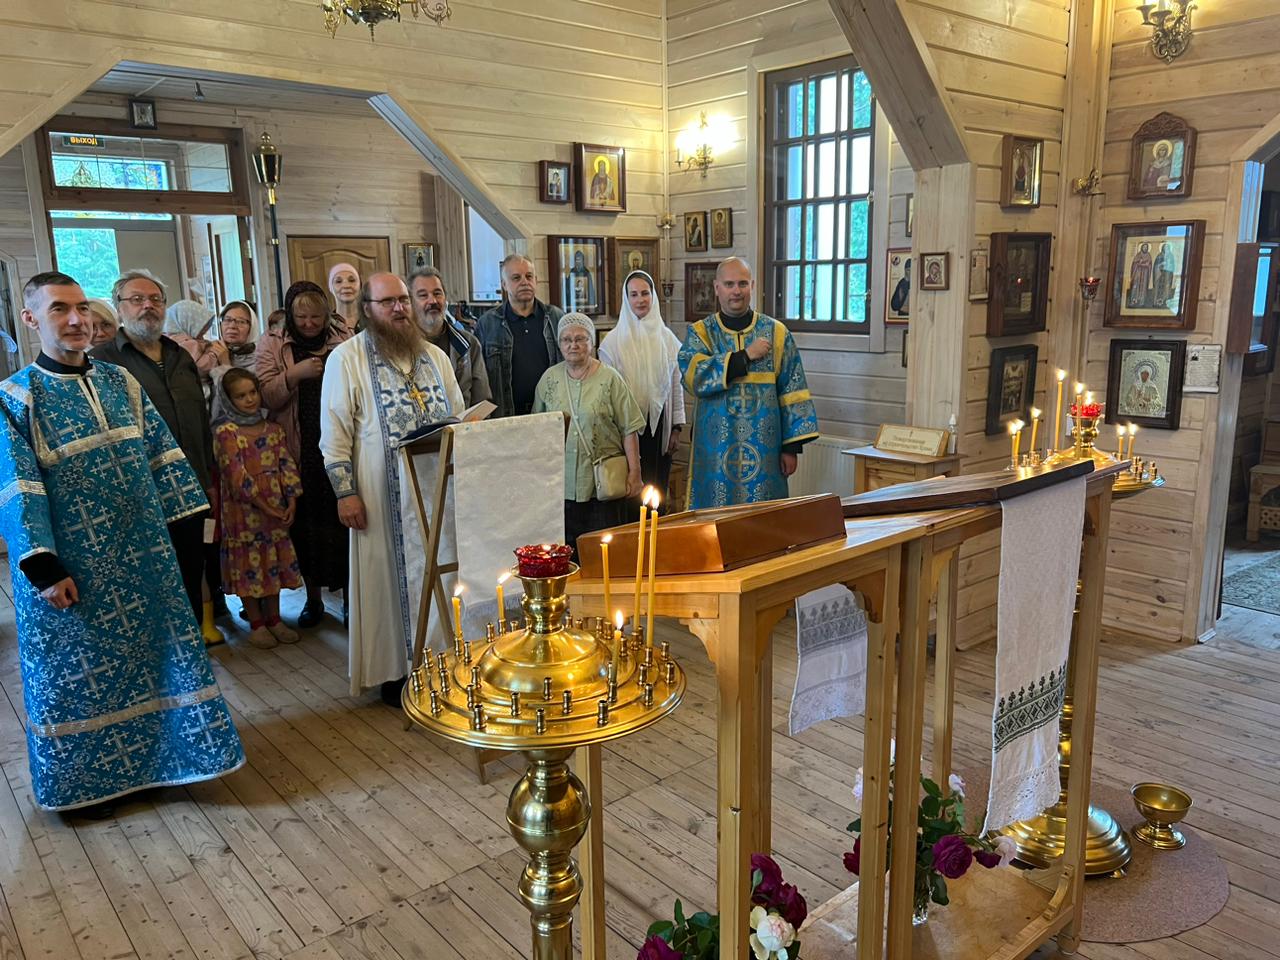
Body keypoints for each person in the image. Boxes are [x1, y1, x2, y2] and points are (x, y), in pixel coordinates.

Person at [0, 271, 243, 814]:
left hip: (143, 556)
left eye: (82, 308)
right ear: (31, 318)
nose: (76, 320)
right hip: (71, 565)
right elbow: (17, 487)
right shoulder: (15, 397)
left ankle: (163, 764)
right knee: (81, 676)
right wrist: (43, 566)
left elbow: (163, 458)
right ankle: (86, 789)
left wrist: (186, 537)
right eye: (59, 309)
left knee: (154, 661)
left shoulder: (120, 382)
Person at [320, 273, 464, 703]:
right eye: (388, 302)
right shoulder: (346, 359)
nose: (399, 309)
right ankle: (396, 673)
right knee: (387, 579)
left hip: (438, 491)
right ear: (367, 309)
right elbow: (334, 433)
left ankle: (441, 661)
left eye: (403, 300)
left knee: (439, 573)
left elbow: (459, 414)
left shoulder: (434, 357)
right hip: (379, 494)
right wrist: (345, 493)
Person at [91, 270, 216, 636]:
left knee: (191, 572)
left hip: (190, 490)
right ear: (119, 308)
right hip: (137, 494)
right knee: (148, 580)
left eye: (155, 299)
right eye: (137, 299)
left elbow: (200, 422)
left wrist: (208, 480)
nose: (147, 306)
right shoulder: (102, 361)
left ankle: (191, 651)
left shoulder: (181, 356)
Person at [678, 257, 819, 509]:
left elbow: (792, 390)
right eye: (729, 284)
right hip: (715, 451)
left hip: (765, 451)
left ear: (752, 286)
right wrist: (744, 356)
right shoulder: (701, 333)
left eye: (742, 284)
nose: (736, 291)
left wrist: (791, 448)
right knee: (713, 516)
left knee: (765, 517)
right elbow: (693, 377)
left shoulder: (776, 333)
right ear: (716, 288)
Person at [256, 281, 352, 628]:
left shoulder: (343, 339)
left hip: (338, 443)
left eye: (316, 317)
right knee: (307, 529)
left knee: (343, 527)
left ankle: (350, 601)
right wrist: (293, 375)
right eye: (301, 317)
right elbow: (264, 396)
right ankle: (313, 600)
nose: (309, 324)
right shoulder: (272, 342)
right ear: (290, 316)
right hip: (297, 447)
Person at [533, 313, 643, 557]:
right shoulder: (549, 379)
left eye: (580, 339)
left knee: (604, 554)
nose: (573, 345)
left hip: (602, 486)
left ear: (592, 342)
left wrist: (635, 473)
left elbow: (629, 428)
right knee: (565, 556)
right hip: (561, 486)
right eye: (566, 339)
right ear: (559, 344)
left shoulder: (610, 379)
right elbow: (538, 430)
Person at [213, 368, 303, 649]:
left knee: (272, 563)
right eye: (241, 396)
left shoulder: (273, 429)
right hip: (243, 514)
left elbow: (287, 465)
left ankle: (274, 619)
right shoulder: (226, 433)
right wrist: (266, 507)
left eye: (252, 392)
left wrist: (291, 501)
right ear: (228, 400)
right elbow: (235, 476)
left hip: (276, 509)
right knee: (247, 566)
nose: (250, 399)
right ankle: (256, 623)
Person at [599, 270, 684, 506]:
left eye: (645, 293)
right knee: (631, 494)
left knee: (658, 489)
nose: (640, 300)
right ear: (626, 298)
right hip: (627, 431)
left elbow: (675, 384)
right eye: (634, 294)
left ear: (653, 296)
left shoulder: (667, 338)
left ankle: (656, 528)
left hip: (660, 426)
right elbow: (607, 394)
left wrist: (676, 428)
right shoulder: (612, 343)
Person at [476, 254, 564, 417]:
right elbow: (479, 378)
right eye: (516, 278)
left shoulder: (556, 318)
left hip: (551, 413)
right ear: (504, 284)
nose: (524, 282)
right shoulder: (487, 324)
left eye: (529, 276)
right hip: (505, 417)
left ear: (536, 281)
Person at [408, 266, 491, 407]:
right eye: (423, 295)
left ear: (445, 298)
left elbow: (482, 402)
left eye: (437, 293)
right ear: (410, 302)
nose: (432, 301)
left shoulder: (469, 344)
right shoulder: (402, 347)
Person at [164, 299, 225, 392]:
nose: (203, 334)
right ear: (188, 323)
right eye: (201, 330)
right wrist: (213, 353)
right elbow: (201, 367)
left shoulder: (169, 341)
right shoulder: (187, 344)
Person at [213, 300, 259, 375]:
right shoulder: (213, 352)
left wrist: (225, 363)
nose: (232, 326)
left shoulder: (261, 359)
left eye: (241, 321)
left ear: (252, 327)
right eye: (227, 320)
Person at [329, 262, 361, 332]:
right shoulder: (326, 324)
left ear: (360, 286)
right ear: (331, 288)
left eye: (352, 280)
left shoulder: (371, 321)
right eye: (338, 281)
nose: (346, 285)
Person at [1127, 242, 1153, 308]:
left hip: (1145, 274)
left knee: (1143, 287)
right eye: (1144, 247)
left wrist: (1144, 264)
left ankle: (1142, 302)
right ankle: (1133, 301)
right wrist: (1139, 263)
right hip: (1138, 274)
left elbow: (1149, 265)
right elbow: (1134, 264)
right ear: (1141, 247)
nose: (1145, 248)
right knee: (1135, 286)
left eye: (1146, 247)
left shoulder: (1149, 255)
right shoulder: (1138, 255)